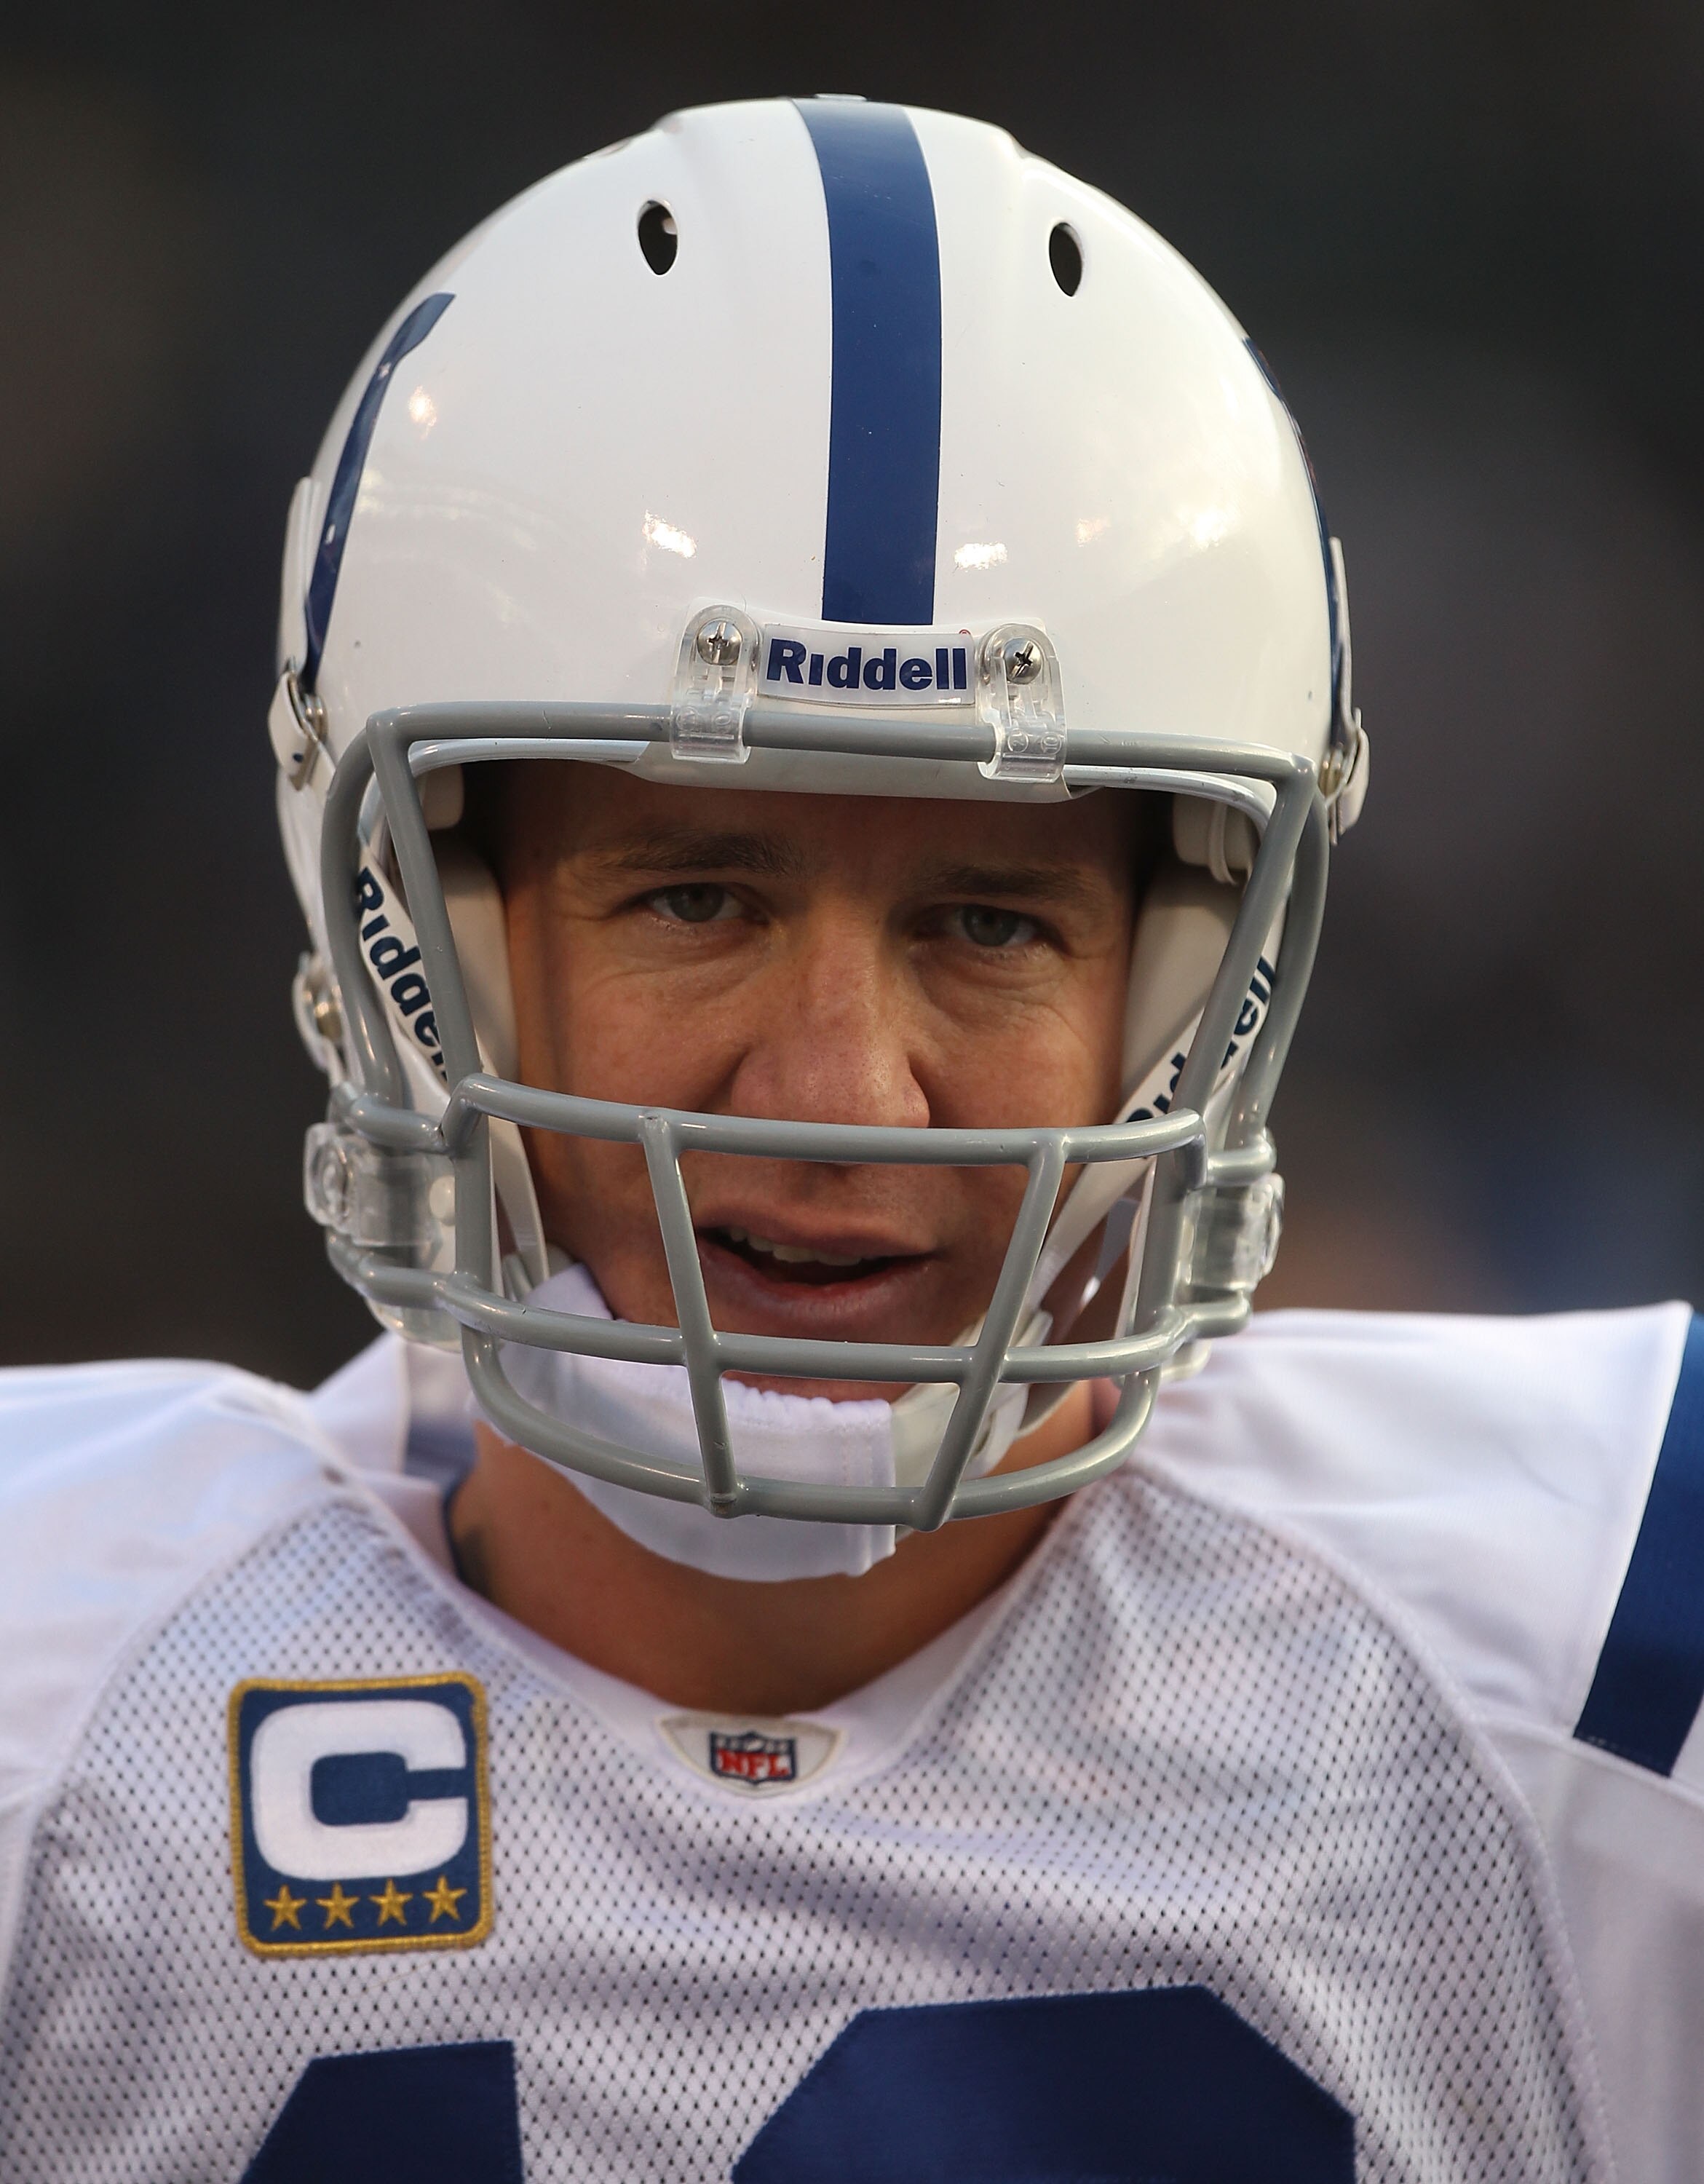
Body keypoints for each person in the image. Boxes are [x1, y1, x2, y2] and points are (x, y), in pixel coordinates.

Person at [0, 93, 1693, 2184]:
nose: (837, 1092)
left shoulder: (1584, 1663)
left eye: (988, 924)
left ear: (1176, 1004)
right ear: (436, 946)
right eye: (695, 899)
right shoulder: (60, 1710)